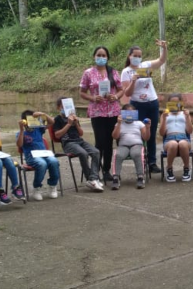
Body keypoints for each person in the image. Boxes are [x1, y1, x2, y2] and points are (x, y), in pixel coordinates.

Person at [121, 39, 168, 175]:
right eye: (134, 55)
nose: (137, 58)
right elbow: (127, 93)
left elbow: (161, 60)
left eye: (139, 56)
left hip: (152, 103)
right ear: (129, 56)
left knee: (151, 133)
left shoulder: (146, 65)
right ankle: (141, 160)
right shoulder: (126, 72)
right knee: (139, 133)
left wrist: (164, 48)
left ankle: (152, 162)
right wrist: (133, 80)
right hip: (136, 105)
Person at [80, 46, 125, 183]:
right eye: (98, 55)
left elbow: (121, 90)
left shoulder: (113, 72)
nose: (101, 57)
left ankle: (106, 171)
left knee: (109, 142)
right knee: (99, 142)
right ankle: (95, 172)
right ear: (94, 57)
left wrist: (115, 97)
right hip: (97, 112)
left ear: (107, 57)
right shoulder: (88, 73)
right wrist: (93, 98)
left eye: (103, 55)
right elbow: (82, 92)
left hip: (112, 111)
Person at [53, 98, 103, 192]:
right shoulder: (57, 119)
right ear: (58, 108)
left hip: (79, 141)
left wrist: (76, 124)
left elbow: (81, 133)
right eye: (63, 106)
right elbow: (57, 135)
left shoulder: (74, 117)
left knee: (96, 152)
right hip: (68, 143)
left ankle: (93, 178)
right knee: (83, 153)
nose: (65, 108)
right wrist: (68, 124)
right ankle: (92, 179)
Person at [17, 109, 60, 201]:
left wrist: (42, 114)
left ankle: (52, 185)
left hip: (44, 153)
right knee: (42, 164)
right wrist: (21, 130)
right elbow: (19, 145)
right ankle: (37, 187)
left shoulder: (38, 129)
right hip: (31, 156)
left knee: (54, 161)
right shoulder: (21, 133)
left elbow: (52, 122)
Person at [111, 104, 151, 190]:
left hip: (136, 144)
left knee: (136, 154)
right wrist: (118, 124)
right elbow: (115, 136)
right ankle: (115, 177)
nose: (130, 115)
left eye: (132, 113)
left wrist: (148, 128)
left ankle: (140, 177)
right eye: (127, 113)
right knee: (118, 155)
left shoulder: (139, 123)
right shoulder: (119, 124)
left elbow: (146, 138)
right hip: (123, 145)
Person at [159, 93, 193, 183]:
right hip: (169, 138)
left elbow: (190, 131)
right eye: (172, 102)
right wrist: (164, 119)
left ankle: (187, 168)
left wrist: (187, 117)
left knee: (182, 143)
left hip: (183, 137)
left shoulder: (185, 113)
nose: (175, 104)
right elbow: (162, 133)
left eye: (177, 102)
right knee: (173, 144)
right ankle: (169, 168)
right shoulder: (165, 115)